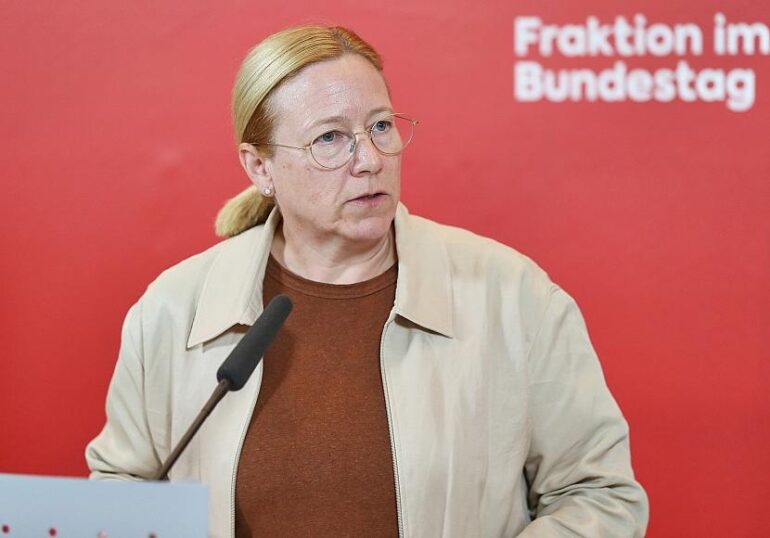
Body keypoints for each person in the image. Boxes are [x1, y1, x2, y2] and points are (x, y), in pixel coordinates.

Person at [86, 25, 649, 538]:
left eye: (380, 126)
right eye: (330, 138)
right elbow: (121, 492)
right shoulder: (172, 310)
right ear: (259, 168)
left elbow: (599, 496)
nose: (371, 159)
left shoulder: (514, 296)